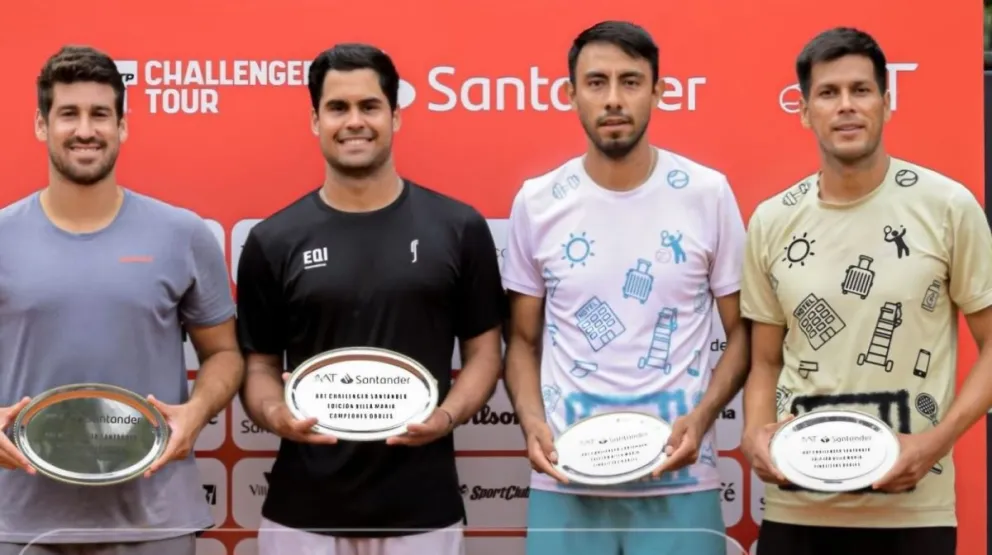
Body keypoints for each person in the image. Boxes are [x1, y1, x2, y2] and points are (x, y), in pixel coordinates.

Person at [236, 43, 505, 555]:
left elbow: (484, 354)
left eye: (369, 106)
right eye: (337, 108)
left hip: (423, 511)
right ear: (315, 120)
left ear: (396, 116)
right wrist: (276, 414)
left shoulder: (458, 228)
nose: (354, 122)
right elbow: (259, 367)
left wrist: (444, 417)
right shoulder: (274, 240)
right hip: (302, 513)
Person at [740, 27, 992, 555]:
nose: (847, 106)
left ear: (887, 102)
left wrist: (934, 442)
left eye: (862, 90)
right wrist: (756, 435)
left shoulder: (947, 207)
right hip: (796, 503)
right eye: (828, 93)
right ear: (805, 110)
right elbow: (764, 362)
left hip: (912, 508)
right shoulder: (772, 220)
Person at [501, 21, 749, 555]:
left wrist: (703, 419)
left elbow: (744, 332)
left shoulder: (707, 194)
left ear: (659, 91)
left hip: (680, 478)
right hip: (566, 478)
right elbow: (521, 341)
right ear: (570, 94)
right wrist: (531, 424)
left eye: (631, 81)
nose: (613, 99)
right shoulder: (538, 201)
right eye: (596, 82)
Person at [0, 45, 243, 555]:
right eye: (68, 114)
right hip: (19, 520)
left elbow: (223, 354)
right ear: (42, 126)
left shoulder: (181, 233)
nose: (85, 129)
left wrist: (196, 412)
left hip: (153, 520)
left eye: (100, 115)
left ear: (122, 125)